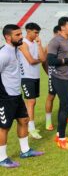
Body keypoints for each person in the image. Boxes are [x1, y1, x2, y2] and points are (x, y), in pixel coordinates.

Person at [0, 24, 44, 168]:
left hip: (16, 94)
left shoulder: (16, 50)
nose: (21, 37)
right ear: (8, 37)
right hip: (5, 96)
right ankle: (2, 158)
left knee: (24, 120)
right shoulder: (4, 53)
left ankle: (25, 150)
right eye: (17, 35)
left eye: (21, 34)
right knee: (4, 127)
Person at [47, 16, 68, 150]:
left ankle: (59, 135)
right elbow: (51, 60)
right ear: (62, 27)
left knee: (63, 106)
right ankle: (61, 139)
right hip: (58, 77)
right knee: (67, 105)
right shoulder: (55, 41)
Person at [18, 22, 46, 139]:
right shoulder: (23, 44)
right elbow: (31, 60)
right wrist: (38, 59)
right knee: (31, 101)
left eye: (38, 33)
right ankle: (31, 128)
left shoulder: (35, 43)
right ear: (28, 31)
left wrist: (39, 45)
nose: (37, 35)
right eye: (35, 32)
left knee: (31, 102)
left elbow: (43, 58)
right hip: (26, 77)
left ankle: (28, 124)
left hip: (35, 76)